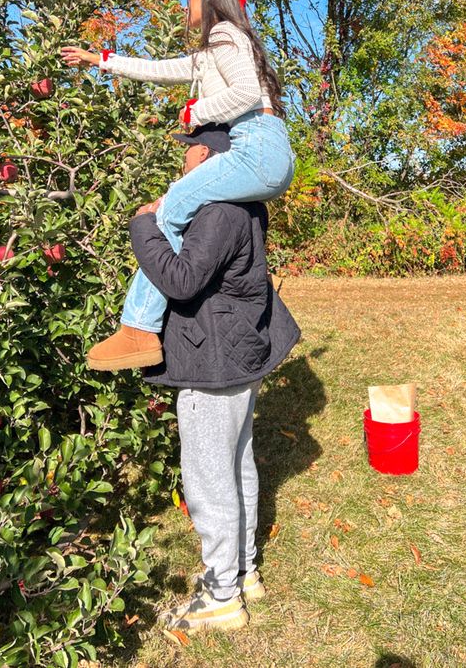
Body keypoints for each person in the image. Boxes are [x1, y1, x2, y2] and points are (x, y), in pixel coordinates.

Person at [86, 123, 300, 632]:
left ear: (203, 154)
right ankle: (244, 571)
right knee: (236, 462)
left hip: (215, 361)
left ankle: (222, 593)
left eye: (188, 154)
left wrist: (143, 227)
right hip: (240, 351)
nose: (183, 163)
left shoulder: (216, 212)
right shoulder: (244, 204)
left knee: (209, 478)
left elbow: (181, 281)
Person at [60, 0, 296, 371]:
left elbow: (241, 94)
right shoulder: (220, 48)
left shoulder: (224, 35)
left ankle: (139, 329)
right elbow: (160, 69)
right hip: (266, 148)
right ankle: (147, 328)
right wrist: (101, 60)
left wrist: (196, 110)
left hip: (256, 147)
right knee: (191, 209)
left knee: (169, 209)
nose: (185, 7)